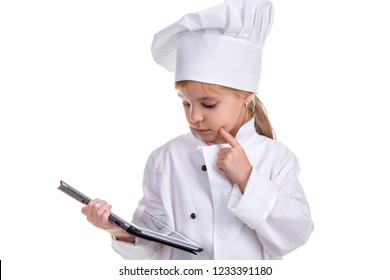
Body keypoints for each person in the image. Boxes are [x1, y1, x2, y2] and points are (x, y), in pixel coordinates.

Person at [81, 0, 313, 260]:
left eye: (209, 104)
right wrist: (120, 231)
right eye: (186, 103)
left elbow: (296, 235)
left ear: (246, 96)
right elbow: (152, 241)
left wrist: (248, 178)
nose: (195, 116)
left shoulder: (275, 158)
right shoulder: (165, 158)